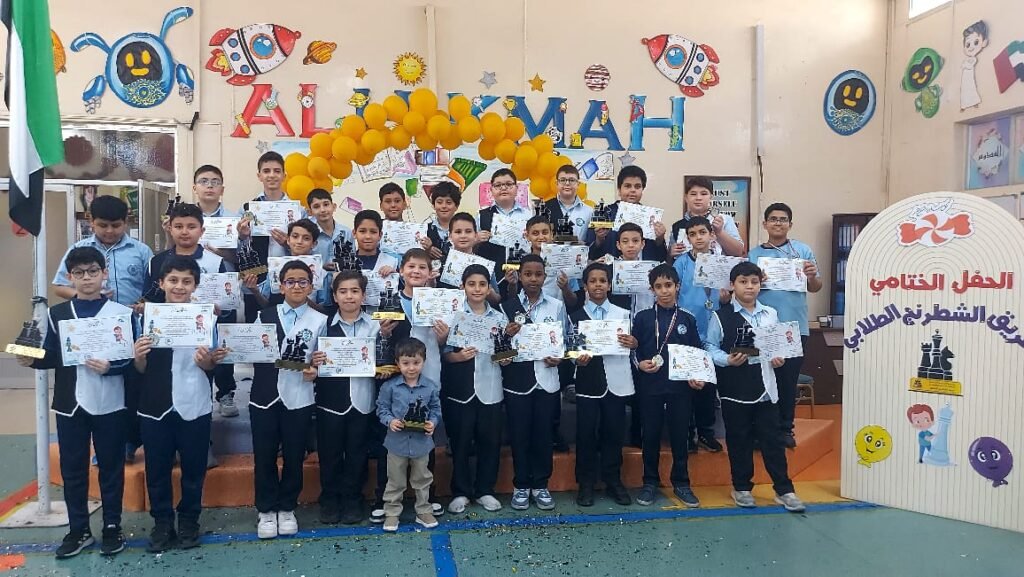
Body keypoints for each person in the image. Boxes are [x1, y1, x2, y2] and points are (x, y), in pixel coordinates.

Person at [16, 247, 134, 558]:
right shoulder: (57, 314)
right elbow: (53, 356)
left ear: (103, 273)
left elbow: (131, 360)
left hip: (111, 403)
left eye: (93, 271)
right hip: (70, 404)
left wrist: (111, 367)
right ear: (70, 277)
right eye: (79, 273)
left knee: (111, 467)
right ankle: (79, 528)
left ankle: (112, 526)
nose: (87, 278)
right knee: (73, 469)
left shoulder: (121, 313)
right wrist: (31, 359)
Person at [133, 257, 227, 552]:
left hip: (194, 403)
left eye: (187, 281)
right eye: (173, 280)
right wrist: (138, 357)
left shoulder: (207, 319)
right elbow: (139, 369)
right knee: (157, 469)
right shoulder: (144, 319)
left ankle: (189, 521)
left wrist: (208, 361)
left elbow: (211, 365)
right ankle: (162, 523)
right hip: (155, 405)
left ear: (195, 285)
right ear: (161, 283)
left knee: (194, 469)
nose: (179, 286)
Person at [703, 262, 806, 513]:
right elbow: (709, 347)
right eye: (743, 282)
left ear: (760, 284)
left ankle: (784, 490)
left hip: (766, 388)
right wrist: (726, 359)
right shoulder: (720, 316)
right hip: (734, 389)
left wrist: (779, 357)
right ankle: (741, 487)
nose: (749, 287)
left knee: (773, 441)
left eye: (754, 282)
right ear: (732, 285)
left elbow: (777, 346)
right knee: (739, 440)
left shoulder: (770, 314)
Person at [249, 261, 329, 539]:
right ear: (281, 286)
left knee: (294, 456)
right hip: (264, 395)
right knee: (264, 456)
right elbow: (253, 351)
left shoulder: (320, 320)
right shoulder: (264, 315)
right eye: (290, 281)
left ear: (311, 286)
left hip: (299, 396)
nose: (296, 286)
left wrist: (316, 369)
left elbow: (325, 360)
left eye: (302, 281)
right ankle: (266, 509)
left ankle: (287, 507)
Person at [747, 203, 822, 448]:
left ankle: (785, 429)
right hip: (763, 327)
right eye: (773, 219)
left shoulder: (802, 250)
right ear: (765, 224)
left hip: (794, 327)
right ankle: (760, 431)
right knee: (760, 379)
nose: (777, 223)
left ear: (790, 224)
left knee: (787, 381)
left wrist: (811, 276)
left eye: (782, 219)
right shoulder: (754, 255)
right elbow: (745, 289)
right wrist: (757, 280)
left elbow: (816, 287)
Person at [630, 264, 704, 508]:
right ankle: (649, 482)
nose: (664, 291)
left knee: (680, 436)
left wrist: (696, 375)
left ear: (677, 286)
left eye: (668, 285)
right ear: (652, 289)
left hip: (680, 387)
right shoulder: (642, 317)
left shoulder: (687, 318)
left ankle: (681, 483)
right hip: (650, 385)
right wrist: (640, 363)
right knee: (650, 435)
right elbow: (634, 350)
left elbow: (696, 352)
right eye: (659, 287)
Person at [310, 270, 380, 525]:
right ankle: (329, 499)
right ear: (334, 296)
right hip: (330, 401)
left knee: (357, 453)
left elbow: (383, 359)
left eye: (354, 291)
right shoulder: (322, 325)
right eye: (343, 291)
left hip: (362, 400)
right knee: (329, 454)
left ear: (363, 295)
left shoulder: (375, 325)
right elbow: (309, 361)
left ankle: (353, 499)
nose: (349, 296)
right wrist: (314, 361)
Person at [440, 265, 511, 514]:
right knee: (460, 442)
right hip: (460, 390)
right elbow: (445, 355)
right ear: (462, 286)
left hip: (490, 388)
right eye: (471, 284)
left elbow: (506, 354)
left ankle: (485, 490)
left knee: (489, 442)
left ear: (489, 287)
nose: (477, 289)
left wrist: (506, 358)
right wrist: (458, 357)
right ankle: (460, 491)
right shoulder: (454, 316)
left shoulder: (500, 318)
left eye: (482, 284)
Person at [500, 254, 566, 511]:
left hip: (547, 380)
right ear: (519, 276)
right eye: (528, 274)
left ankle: (540, 484)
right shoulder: (507, 306)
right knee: (519, 436)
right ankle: (521, 485)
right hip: (517, 381)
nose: (533, 279)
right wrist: (507, 336)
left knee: (543, 435)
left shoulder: (556, 306)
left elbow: (564, 340)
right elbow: (498, 350)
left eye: (538, 274)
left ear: (545, 276)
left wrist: (559, 357)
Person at [570, 262, 636, 507]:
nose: (598, 285)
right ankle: (585, 483)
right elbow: (570, 350)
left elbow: (633, 346)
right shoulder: (575, 316)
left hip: (617, 381)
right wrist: (577, 358)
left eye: (602, 281)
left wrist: (634, 343)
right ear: (585, 286)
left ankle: (613, 480)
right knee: (586, 434)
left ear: (609, 285)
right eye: (592, 281)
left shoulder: (623, 314)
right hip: (588, 381)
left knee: (613, 433)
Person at [376, 337, 443, 532]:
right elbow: (381, 408)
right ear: (397, 363)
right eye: (406, 363)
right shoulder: (389, 387)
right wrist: (390, 421)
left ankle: (423, 511)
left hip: (422, 444)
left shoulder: (430, 387)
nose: (411, 368)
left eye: (416, 362)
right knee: (395, 480)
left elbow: (435, 409)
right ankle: (392, 512)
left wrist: (432, 423)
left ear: (424, 362)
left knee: (422, 479)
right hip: (396, 444)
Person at [192, 164, 242, 418]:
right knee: (197, 344)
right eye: (204, 181)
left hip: (223, 292)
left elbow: (242, 259)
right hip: (191, 292)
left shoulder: (234, 220)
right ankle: (199, 393)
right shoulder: (187, 216)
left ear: (222, 188)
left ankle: (225, 393)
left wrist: (217, 252)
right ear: (195, 187)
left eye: (215, 181)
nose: (209, 186)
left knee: (224, 343)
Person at [672, 216, 724, 453]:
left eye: (703, 232)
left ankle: (706, 432)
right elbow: (673, 292)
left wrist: (726, 297)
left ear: (712, 235)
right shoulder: (681, 263)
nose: (698, 237)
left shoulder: (722, 263)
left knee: (708, 385)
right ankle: (687, 432)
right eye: (693, 234)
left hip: (714, 329)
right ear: (688, 238)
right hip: (688, 329)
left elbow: (731, 292)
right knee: (686, 385)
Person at [238, 152, 306, 323]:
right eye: (266, 171)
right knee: (256, 325)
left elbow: (307, 247)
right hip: (256, 277)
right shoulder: (247, 208)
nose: (272, 175)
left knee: (289, 325)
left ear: (284, 175)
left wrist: (288, 244)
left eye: (277, 171)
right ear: (259, 175)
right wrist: (242, 236)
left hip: (289, 278)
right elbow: (238, 250)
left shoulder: (297, 210)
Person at [53, 195, 153, 308]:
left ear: (125, 222)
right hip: (90, 315)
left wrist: (145, 304)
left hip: (131, 315)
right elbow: (59, 287)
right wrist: (86, 297)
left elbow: (156, 287)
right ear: (91, 221)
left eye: (115, 225)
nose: (109, 231)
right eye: (103, 225)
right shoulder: (78, 249)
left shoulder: (141, 251)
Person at [244, 219, 331, 310]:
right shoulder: (275, 268)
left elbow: (323, 310)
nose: (299, 241)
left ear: (314, 244)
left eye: (306, 238)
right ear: (288, 240)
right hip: (279, 317)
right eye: (295, 236)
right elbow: (266, 304)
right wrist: (255, 291)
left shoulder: (322, 273)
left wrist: (301, 297)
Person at [586, 165, 667, 261]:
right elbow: (588, 253)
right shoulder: (603, 214)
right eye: (627, 186)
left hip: (643, 268)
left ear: (642, 190)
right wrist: (599, 239)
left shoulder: (650, 216)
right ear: (619, 190)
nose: (633, 190)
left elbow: (660, 256)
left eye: (637, 186)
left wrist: (660, 238)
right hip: (610, 268)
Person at [668, 176, 744, 261]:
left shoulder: (724, 220)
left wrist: (719, 232)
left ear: (711, 197)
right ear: (686, 198)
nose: (698, 198)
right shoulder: (677, 226)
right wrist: (671, 253)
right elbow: (669, 261)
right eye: (693, 194)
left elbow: (739, 252)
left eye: (704, 194)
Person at [475, 169, 530, 277]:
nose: (503, 188)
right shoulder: (481, 215)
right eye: (498, 185)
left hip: (522, 274)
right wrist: (476, 239)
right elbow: (469, 246)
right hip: (491, 275)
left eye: (508, 184)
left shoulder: (529, 215)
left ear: (516, 188)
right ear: (491, 190)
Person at [347, 210, 399, 316]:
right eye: (362, 231)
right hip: (354, 318)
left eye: (373, 232)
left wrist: (395, 276)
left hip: (385, 318)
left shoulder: (392, 262)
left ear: (380, 235)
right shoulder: (346, 263)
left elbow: (400, 298)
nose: (368, 236)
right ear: (354, 233)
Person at [306, 188, 353, 272]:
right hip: (317, 278)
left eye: (326, 204)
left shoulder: (346, 232)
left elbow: (351, 260)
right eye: (316, 207)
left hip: (342, 278)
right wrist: (322, 267)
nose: (322, 210)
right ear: (310, 212)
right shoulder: (308, 234)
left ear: (334, 207)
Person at [543, 165, 593, 243]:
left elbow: (591, 241)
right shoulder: (545, 208)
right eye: (562, 180)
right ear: (557, 183)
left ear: (578, 184)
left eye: (572, 180)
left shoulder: (589, 212)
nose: (567, 183)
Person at [424, 181, 461, 261]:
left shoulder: (463, 229)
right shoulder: (425, 230)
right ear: (433, 205)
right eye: (439, 202)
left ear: (456, 206)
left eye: (449, 202)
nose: (444, 206)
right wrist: (427, 250)